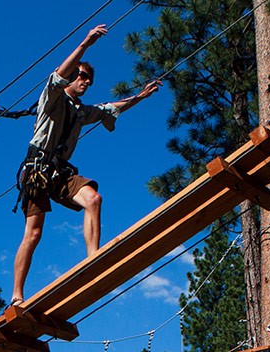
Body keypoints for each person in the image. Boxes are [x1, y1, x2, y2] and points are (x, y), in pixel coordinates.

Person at [10, 24, 162, 305]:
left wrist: (140, 97)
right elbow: (58, 74)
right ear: (71, 77)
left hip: (60, 172)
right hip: (36, 171)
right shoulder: (51, 97)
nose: (86, 82)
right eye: (82, 76)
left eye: (90, 79)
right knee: (33, 233)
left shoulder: (82, 112)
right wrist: (86, 43)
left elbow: (110, 108)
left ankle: (93, 259)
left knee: (93, 199)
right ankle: (17, 295)